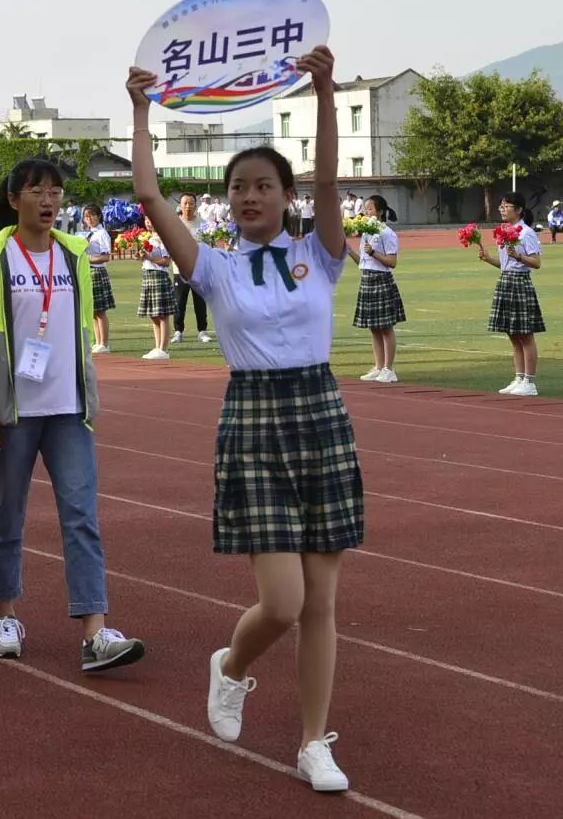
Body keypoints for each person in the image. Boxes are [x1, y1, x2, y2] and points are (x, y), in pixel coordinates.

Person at [127, 46, 360, 794]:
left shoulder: (319, 253)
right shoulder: (215, 265)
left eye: (263, 185)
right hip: (254, 417)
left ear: (287, 194)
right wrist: (141, 111)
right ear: (225, 200)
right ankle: (229, 666)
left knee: (321, 602)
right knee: (284, 603)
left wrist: (323, 92)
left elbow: (329, 177)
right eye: (238, 188)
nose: (249, 196)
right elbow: (151, 198)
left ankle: (312, 740)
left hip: (319, 408)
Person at [0, 158, 145, 673]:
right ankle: (6, 615)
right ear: (14, 198)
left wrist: (87, 393)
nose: (48, 201)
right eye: (37, 191)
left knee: (82, 517)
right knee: (7, 516)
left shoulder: (74, 255)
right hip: (12, 413)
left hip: (67, 410)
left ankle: (95, 632)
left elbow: (80, 334)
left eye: (56, 192)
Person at [475, 191, 544, 396]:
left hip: (520, 283)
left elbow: (536, 262)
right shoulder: (505, 230)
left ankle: (530, 382)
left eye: (507, 206)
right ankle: (519, 376)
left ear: (519, 210)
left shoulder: (526, 232)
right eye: (501, 206)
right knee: (512, 333)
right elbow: (506, 265)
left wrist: (518, 255)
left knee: (525, 333)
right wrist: (488, 259)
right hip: (506, 281)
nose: (502, 209)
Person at [347, 195, 404, 384]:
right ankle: (379, 367)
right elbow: (362, 263)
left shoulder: (386, 233)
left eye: (370, 209)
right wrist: (347, 250)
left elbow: (392, 262)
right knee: (373, 327)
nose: (366, 212)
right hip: (367, 279)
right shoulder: (366, 232)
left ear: (379, 212)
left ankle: (389, 369)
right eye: (365, 208)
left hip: (381, 279)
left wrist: (374, 253)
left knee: (386, 327)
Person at [170, 192, 213, 346]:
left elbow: (209, 245)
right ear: (180, 206)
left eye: (191, 203)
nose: (188, 206)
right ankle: (178, 331)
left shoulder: (203, 224)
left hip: (199, 269)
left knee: (200, 301)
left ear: (196, 205)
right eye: (185, 203)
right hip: (180, 269)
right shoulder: (174, 224)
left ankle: (202, 331)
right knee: (179, 301)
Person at [136, 214, 174, 360]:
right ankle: (157, 346)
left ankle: (163, 349)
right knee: (153, 314)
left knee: (162, 314)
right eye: (146, 220)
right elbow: (145, 260)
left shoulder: (163, 238)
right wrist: (140, 257)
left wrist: (150, 258)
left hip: (159, 276)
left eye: (151, 220)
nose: (149, 223)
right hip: (148, 275)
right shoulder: (147, 237)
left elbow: (166, 261)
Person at [81, 204, 114, 353]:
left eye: (92, 215)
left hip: (98, 272)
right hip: (88, 272)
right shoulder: (87, 234)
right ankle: (97, 341)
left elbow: (106, 256)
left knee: (100, 311)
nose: (89, 219)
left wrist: (88, 259)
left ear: (99, 216)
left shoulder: (101, 233)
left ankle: (104, 343)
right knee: (93, 311)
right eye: (87, 216)